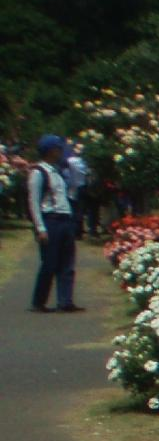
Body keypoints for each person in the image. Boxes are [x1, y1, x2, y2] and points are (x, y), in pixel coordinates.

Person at [25, 134, 80, 312]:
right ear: (50, 150)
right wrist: (40, 227)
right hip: (51, 220)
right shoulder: (38, 173)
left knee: (67, 263)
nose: (61, 151)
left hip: (64, 219)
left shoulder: (57, 171)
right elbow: (34, 202)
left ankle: (65, 301)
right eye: (58, 148)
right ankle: (39, 301)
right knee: (49, 263)